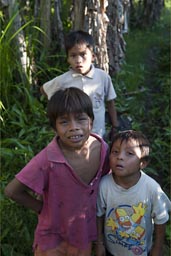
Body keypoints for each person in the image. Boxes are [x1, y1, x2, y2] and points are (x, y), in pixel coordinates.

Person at [4, 87, 110, 256]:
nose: (74, 127)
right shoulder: (48, 160)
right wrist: (44, 209)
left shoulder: (103, 150)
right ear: (54, 127)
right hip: (52, 238)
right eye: (64, 122)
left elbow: (105, 187)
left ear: (91, 121)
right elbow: (12, 191)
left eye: (81, 119)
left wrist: (100, 240)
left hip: (84, 233)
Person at [95, 130, 171, 256]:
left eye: (129, 153)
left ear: (143, 163)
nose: (120, 157)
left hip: (140, 252)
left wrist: (157, 249)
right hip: (111, 249)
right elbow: (99, 215)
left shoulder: (151, 189)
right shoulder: (104, 185)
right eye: (115, 152)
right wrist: (99, 243)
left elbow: (161, 220)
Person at [40, 30, 119, 138]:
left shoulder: (102, 77)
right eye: (73, 56)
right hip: (74, 135)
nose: (78, 60)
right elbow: (44, 90)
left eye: (83, 54)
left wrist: (115, 126)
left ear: (93, 56)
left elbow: (110, 102)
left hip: (97, 133)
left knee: (98, 153)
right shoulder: (63, 80)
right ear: (67, 59)